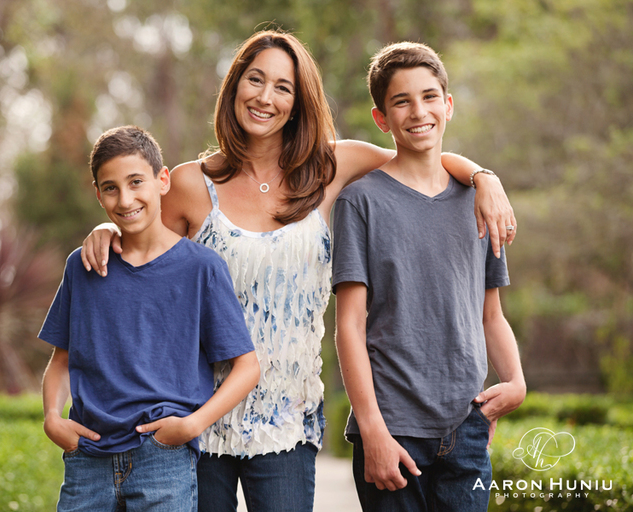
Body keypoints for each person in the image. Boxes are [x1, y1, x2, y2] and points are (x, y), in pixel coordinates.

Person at [81, 30, 517, 512]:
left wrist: (484, 178)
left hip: (288, 422)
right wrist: (106, 228)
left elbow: (418, 157)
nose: (265, 97)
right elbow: (139, 251)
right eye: (255, 80)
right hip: (196, 418)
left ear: (298, 101)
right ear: (234, 88)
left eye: (283, 87)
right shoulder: (189, 183)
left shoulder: (332, 167)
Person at [332, 42, 526, 511]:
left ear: (448, 104)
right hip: (392, 430)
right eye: (401, 101)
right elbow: (349, 327)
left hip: (466, 427)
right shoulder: (361, 202)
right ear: (382, 118)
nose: (418, 111)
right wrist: (372, 431)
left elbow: (491, 315)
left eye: (429, 96)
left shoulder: (477, 200)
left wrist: (516, 380)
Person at [40, 125, 260, 512]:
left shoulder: (201, 268)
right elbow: (62, 360)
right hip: (87, 457)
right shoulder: (84, 265)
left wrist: (192, 425)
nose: (125, 199)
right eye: (110, 188)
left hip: (163, 458)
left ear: (162, 181)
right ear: (98, 194)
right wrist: (51, 419)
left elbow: (247, 366)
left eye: (136, 182)